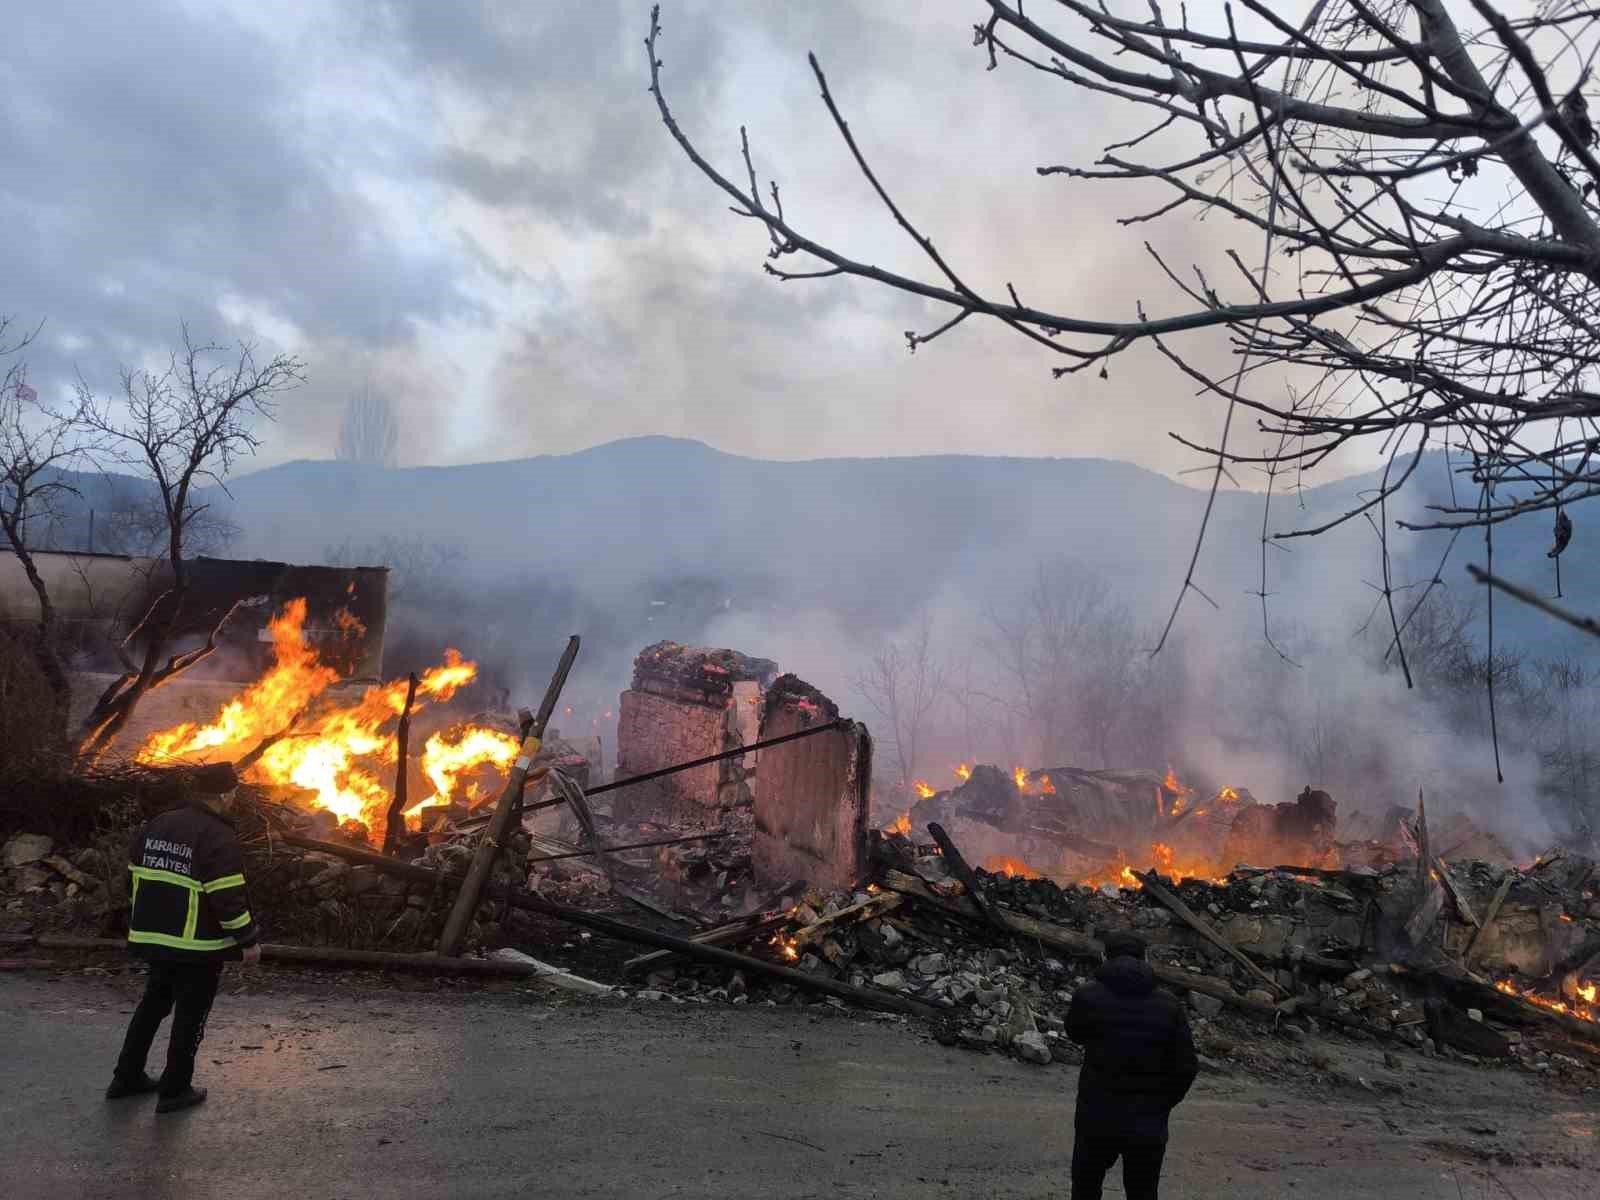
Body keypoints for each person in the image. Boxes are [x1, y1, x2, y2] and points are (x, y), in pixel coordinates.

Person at [106, 762, 261, 1113]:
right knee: (191, 1015)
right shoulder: (217, 835)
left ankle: (126, 1076)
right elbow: (227, 896)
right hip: (195, 946)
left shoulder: (159, 824)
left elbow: (132, 877)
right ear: (224, 794)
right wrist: (248, 939)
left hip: (153, 937)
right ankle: (175, 1089)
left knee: (153, 1005)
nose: (235, 797)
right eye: (234, 792)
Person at [1065, 930, 1199, 1200]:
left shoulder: (1088, 995)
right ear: (1146, 959)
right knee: (1142, 1191)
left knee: (1085, 1187)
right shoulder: (1169, 1004)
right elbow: (1186, 1066)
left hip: (1096, 1115)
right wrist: (1161, 1104)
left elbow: (1075, 1034)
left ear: (1105, 957)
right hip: (1147, 1121)